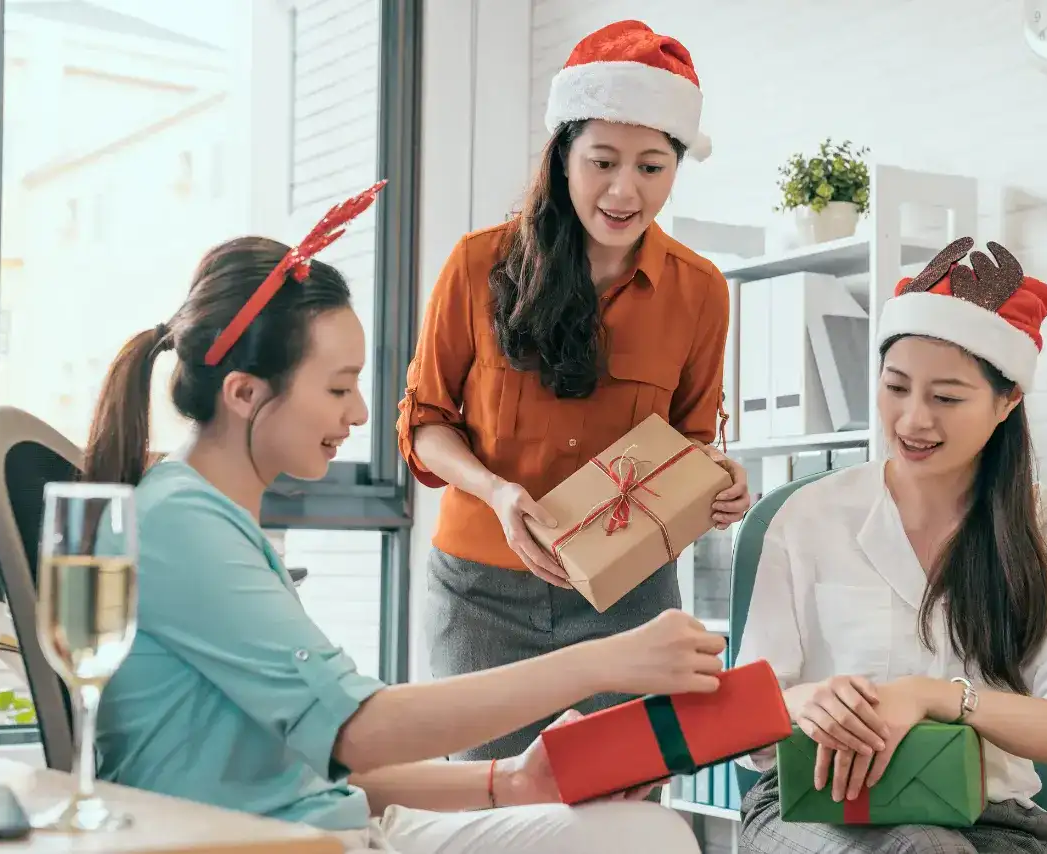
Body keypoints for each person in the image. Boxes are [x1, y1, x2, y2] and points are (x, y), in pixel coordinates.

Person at [86, 182, 721, 854]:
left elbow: (330, 773)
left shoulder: (208, 519)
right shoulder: (183, 527)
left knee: (646, 828)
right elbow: (359, 729)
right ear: (245, 394)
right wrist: (606, 662)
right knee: (645, 841)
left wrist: (514, 779)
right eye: (337, 387)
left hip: (330, 824)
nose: (359, 413)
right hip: (270, 843)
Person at [397, 19, 751, 761]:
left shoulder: (701, 291)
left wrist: (718, 482)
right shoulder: (475, 265)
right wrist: (496, 493)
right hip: (480, 595)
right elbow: (427, 420)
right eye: (602, 161)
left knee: (619, 805)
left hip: (629, 602)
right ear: (563, 157)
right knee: (487, 815)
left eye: (652, 167)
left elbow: (691, 439)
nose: (625, 191)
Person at [733, 237, 1047, 854]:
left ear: (1007, 400)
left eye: (946, 398)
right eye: (896, 387)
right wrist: (809, 701)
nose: (913, 420)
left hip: (990, 821)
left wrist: (936, 699)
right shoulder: (808, 517)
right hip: (812, 802)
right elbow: (739, 723)